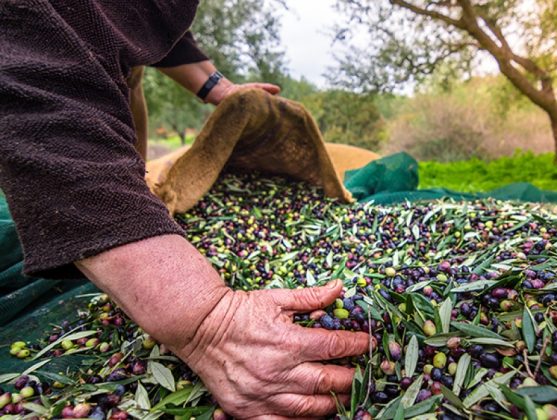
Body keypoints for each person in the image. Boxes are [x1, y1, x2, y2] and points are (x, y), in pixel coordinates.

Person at [0, 1, 371, 418]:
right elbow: (35, 89)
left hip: (99, 78)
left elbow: (138, 15)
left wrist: (217, 88)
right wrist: (207, 322)